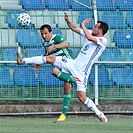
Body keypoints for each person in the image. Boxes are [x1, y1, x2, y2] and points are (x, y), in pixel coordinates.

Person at [16, 13, 109, 122]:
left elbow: (88, 36)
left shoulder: (103, 41)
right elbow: (74, 28)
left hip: (82, 72)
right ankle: (24, 60)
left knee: (82, 97)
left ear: (100, 30)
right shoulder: (90, 36)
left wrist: (83, 24)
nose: (93, 28)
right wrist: (67, 20)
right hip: (72, 64)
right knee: (50, 59)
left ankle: (99, 113)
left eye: (95, 27)